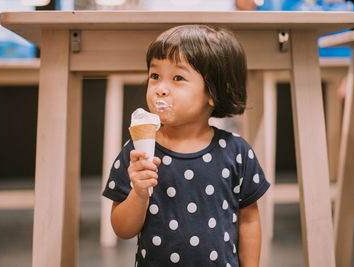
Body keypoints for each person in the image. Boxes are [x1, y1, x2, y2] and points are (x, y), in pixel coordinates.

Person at [102, 24, 270, 267]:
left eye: (178, 78)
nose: (160, 89)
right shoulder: (137, 150)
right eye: (155, 76)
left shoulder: (237, 152)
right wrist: (139, 193)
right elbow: (122, 229)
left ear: (213, 92)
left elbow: (249, 220)